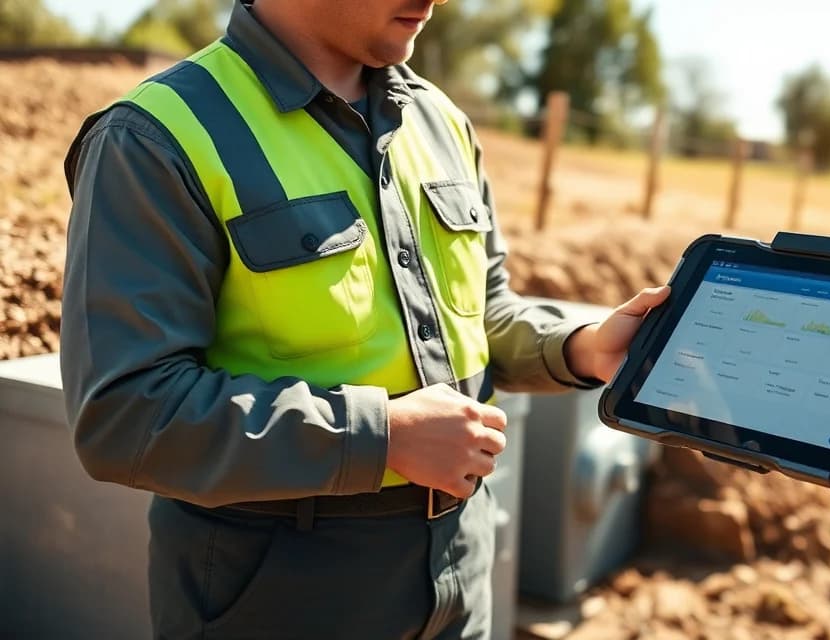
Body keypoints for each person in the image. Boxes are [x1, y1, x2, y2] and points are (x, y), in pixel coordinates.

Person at [60, 1, 669, 637]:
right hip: (278, 591)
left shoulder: (442, 122)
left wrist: (581, 347)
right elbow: (126, 413)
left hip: (461, 567)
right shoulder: (154, 138)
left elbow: (479, 312)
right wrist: (383, 436)